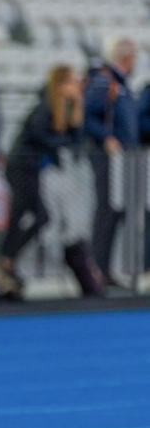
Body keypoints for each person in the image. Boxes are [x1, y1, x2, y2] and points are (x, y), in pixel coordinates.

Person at [0, 64, 102, 296]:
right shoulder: (46, 106)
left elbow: (75, 136)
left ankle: (6, 260)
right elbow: (44, 137)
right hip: (22, 167)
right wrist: (65, 144)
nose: (76, 85)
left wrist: (78, 105)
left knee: (29, 215)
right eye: (71, 81)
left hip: (32, 169)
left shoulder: (63, 108)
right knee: (37, 215)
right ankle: (6, 260)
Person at [84, 37, 138, 285]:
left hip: (123, 159)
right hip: (107, 158)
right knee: (106, 209)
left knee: (115, 210)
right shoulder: (105, 80)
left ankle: (105, 269)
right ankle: (97, 268)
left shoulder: (122, 83)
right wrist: (107, 138)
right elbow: (88, 115)